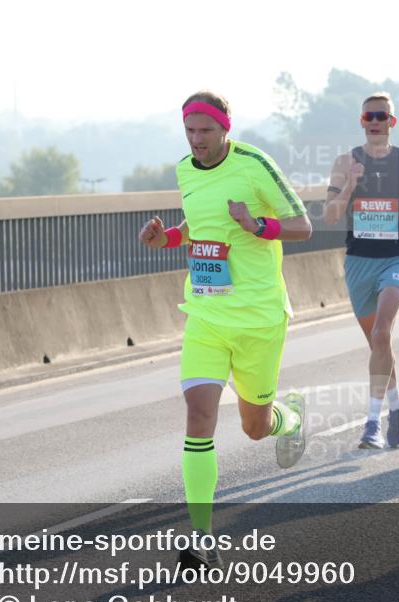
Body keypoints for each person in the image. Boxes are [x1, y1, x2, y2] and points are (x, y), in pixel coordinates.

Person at [140, 91, 313, 568]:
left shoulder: (255, 164)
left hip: (259, 318)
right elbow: (200, 226)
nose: (197, 140)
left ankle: (291, 418)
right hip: (207, 314)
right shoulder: (184, 171)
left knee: (255, 427)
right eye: (190, 131)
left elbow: (303, 225)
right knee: (199, 417)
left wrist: (257, 225)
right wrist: (167, 238)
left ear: (225, 128)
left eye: (206, 131)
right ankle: (201, 537)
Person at [323, 92, 399, 449]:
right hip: (359, 263)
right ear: (361, 122)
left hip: (396, 260)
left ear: (392, 122)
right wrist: (350, 184)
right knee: (379, 344)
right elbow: (330, 215)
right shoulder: (344, 162)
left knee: (381, 335)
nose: (375, 122)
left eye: (381, 116)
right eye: (369, 117)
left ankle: (371, 425)